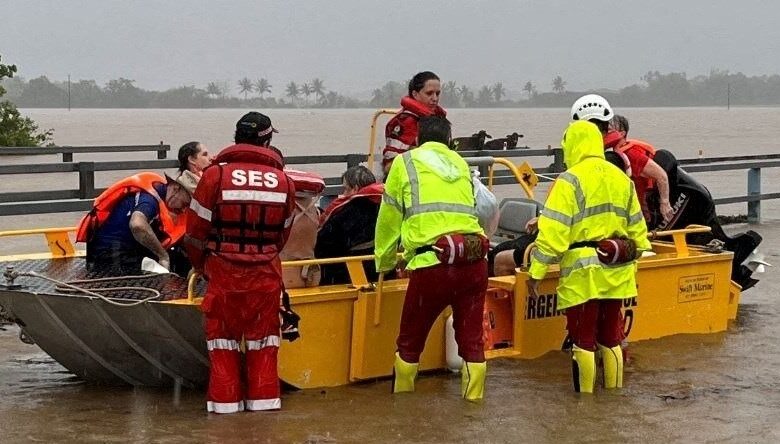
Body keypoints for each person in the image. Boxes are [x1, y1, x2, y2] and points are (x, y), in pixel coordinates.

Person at [527, 115, 651, 394]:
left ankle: (586, 403)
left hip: (583, 275)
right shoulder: (622, 179)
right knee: (611, 338)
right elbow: (639, 236)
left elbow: (553, 236)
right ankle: (614, 395)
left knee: (582, 340)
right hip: (616, 269)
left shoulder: (569, 181)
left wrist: (536, 273)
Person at [184, 111, 296, 414]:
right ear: (268, 139)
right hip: (265, 278)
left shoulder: (214, 176)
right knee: (264, 352)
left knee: (223, 350)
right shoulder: (284, 181)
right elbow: (283, 235)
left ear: (236, 137)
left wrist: (200, 266)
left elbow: (194, 234)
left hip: (223, 274)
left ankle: (225, 423)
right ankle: (263, 423)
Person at [375, 116, 490, 401]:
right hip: (474, 262)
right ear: (450, 141)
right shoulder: (461, 164)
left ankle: (403, 407)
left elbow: (389, 218)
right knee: (472, 342)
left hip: (432, 266)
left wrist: (385, 262)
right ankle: (473, 407)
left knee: (410, 342)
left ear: (416, 139)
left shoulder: (406, 162)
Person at [78, 170, 199, 275]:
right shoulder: (148, 200)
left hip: (127, 251)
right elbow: (137, 225)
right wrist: (163, 256)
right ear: (175, 189)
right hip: (110, 257)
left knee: (180, 258)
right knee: (163, 265)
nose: (184, 210)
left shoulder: (160, 195)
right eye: (185, 204)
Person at [316, 165, 384, 285]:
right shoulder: (385, 206)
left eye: (346, 189)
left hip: (346, 277)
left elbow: (324, 246)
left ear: (355, 189)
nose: (343, 194)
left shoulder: (345, 211)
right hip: (381, 274)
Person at [604, 114, 673, 224]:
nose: (605, 134)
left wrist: (665, 203)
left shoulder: (631, 154)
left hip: (641, 212)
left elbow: (661, 176)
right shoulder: (613, 155)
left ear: (622, 134)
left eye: (609, 130)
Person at [381, 71, 447, 176]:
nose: (435, 98)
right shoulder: (404, 122)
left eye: (437, 93)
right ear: (415, 94)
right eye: (429, 93)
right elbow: (389, 165)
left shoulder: (439, 119)